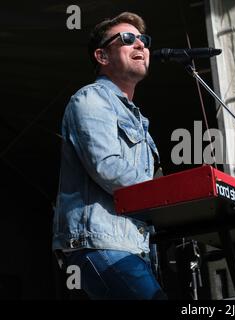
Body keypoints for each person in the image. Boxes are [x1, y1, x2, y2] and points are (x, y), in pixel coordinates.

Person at [52, 12, 166, 299]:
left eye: (144, 40)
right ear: (102, 56)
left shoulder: (140, 120)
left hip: (131, 244)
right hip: (100, 242)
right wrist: (166, 195)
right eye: (128, 39)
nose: (140, 45)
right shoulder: (89, 99)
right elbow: (107, 167)